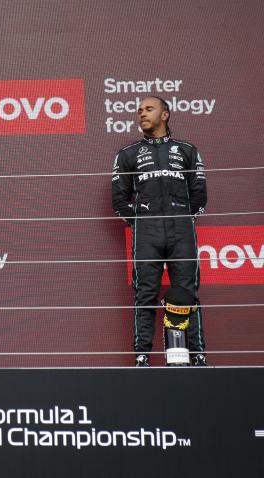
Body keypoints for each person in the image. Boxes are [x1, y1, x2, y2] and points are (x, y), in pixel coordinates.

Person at [111, 96, 207, 367]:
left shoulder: (188, 150)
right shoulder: (127, 154)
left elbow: (200, 196)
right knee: (145, 293)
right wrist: (141, 223)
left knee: (188, 291)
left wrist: (184, 219)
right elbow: (119, 201)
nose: (141, 114)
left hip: (181, 229)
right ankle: (142, 357)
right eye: (139, 110)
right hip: (147, 232)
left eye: (148, 109)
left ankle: (197, 355)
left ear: (165, 115)